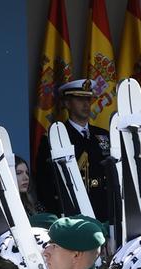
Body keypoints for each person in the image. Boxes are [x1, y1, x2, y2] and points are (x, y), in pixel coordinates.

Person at [34, 79, 111, 221]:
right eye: (80, 99)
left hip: (105, 213)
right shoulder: (54, 137)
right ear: (66, 103)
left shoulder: (104, 135)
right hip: (72, 214)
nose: (86, 104)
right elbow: (44, 183)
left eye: (88, 99)